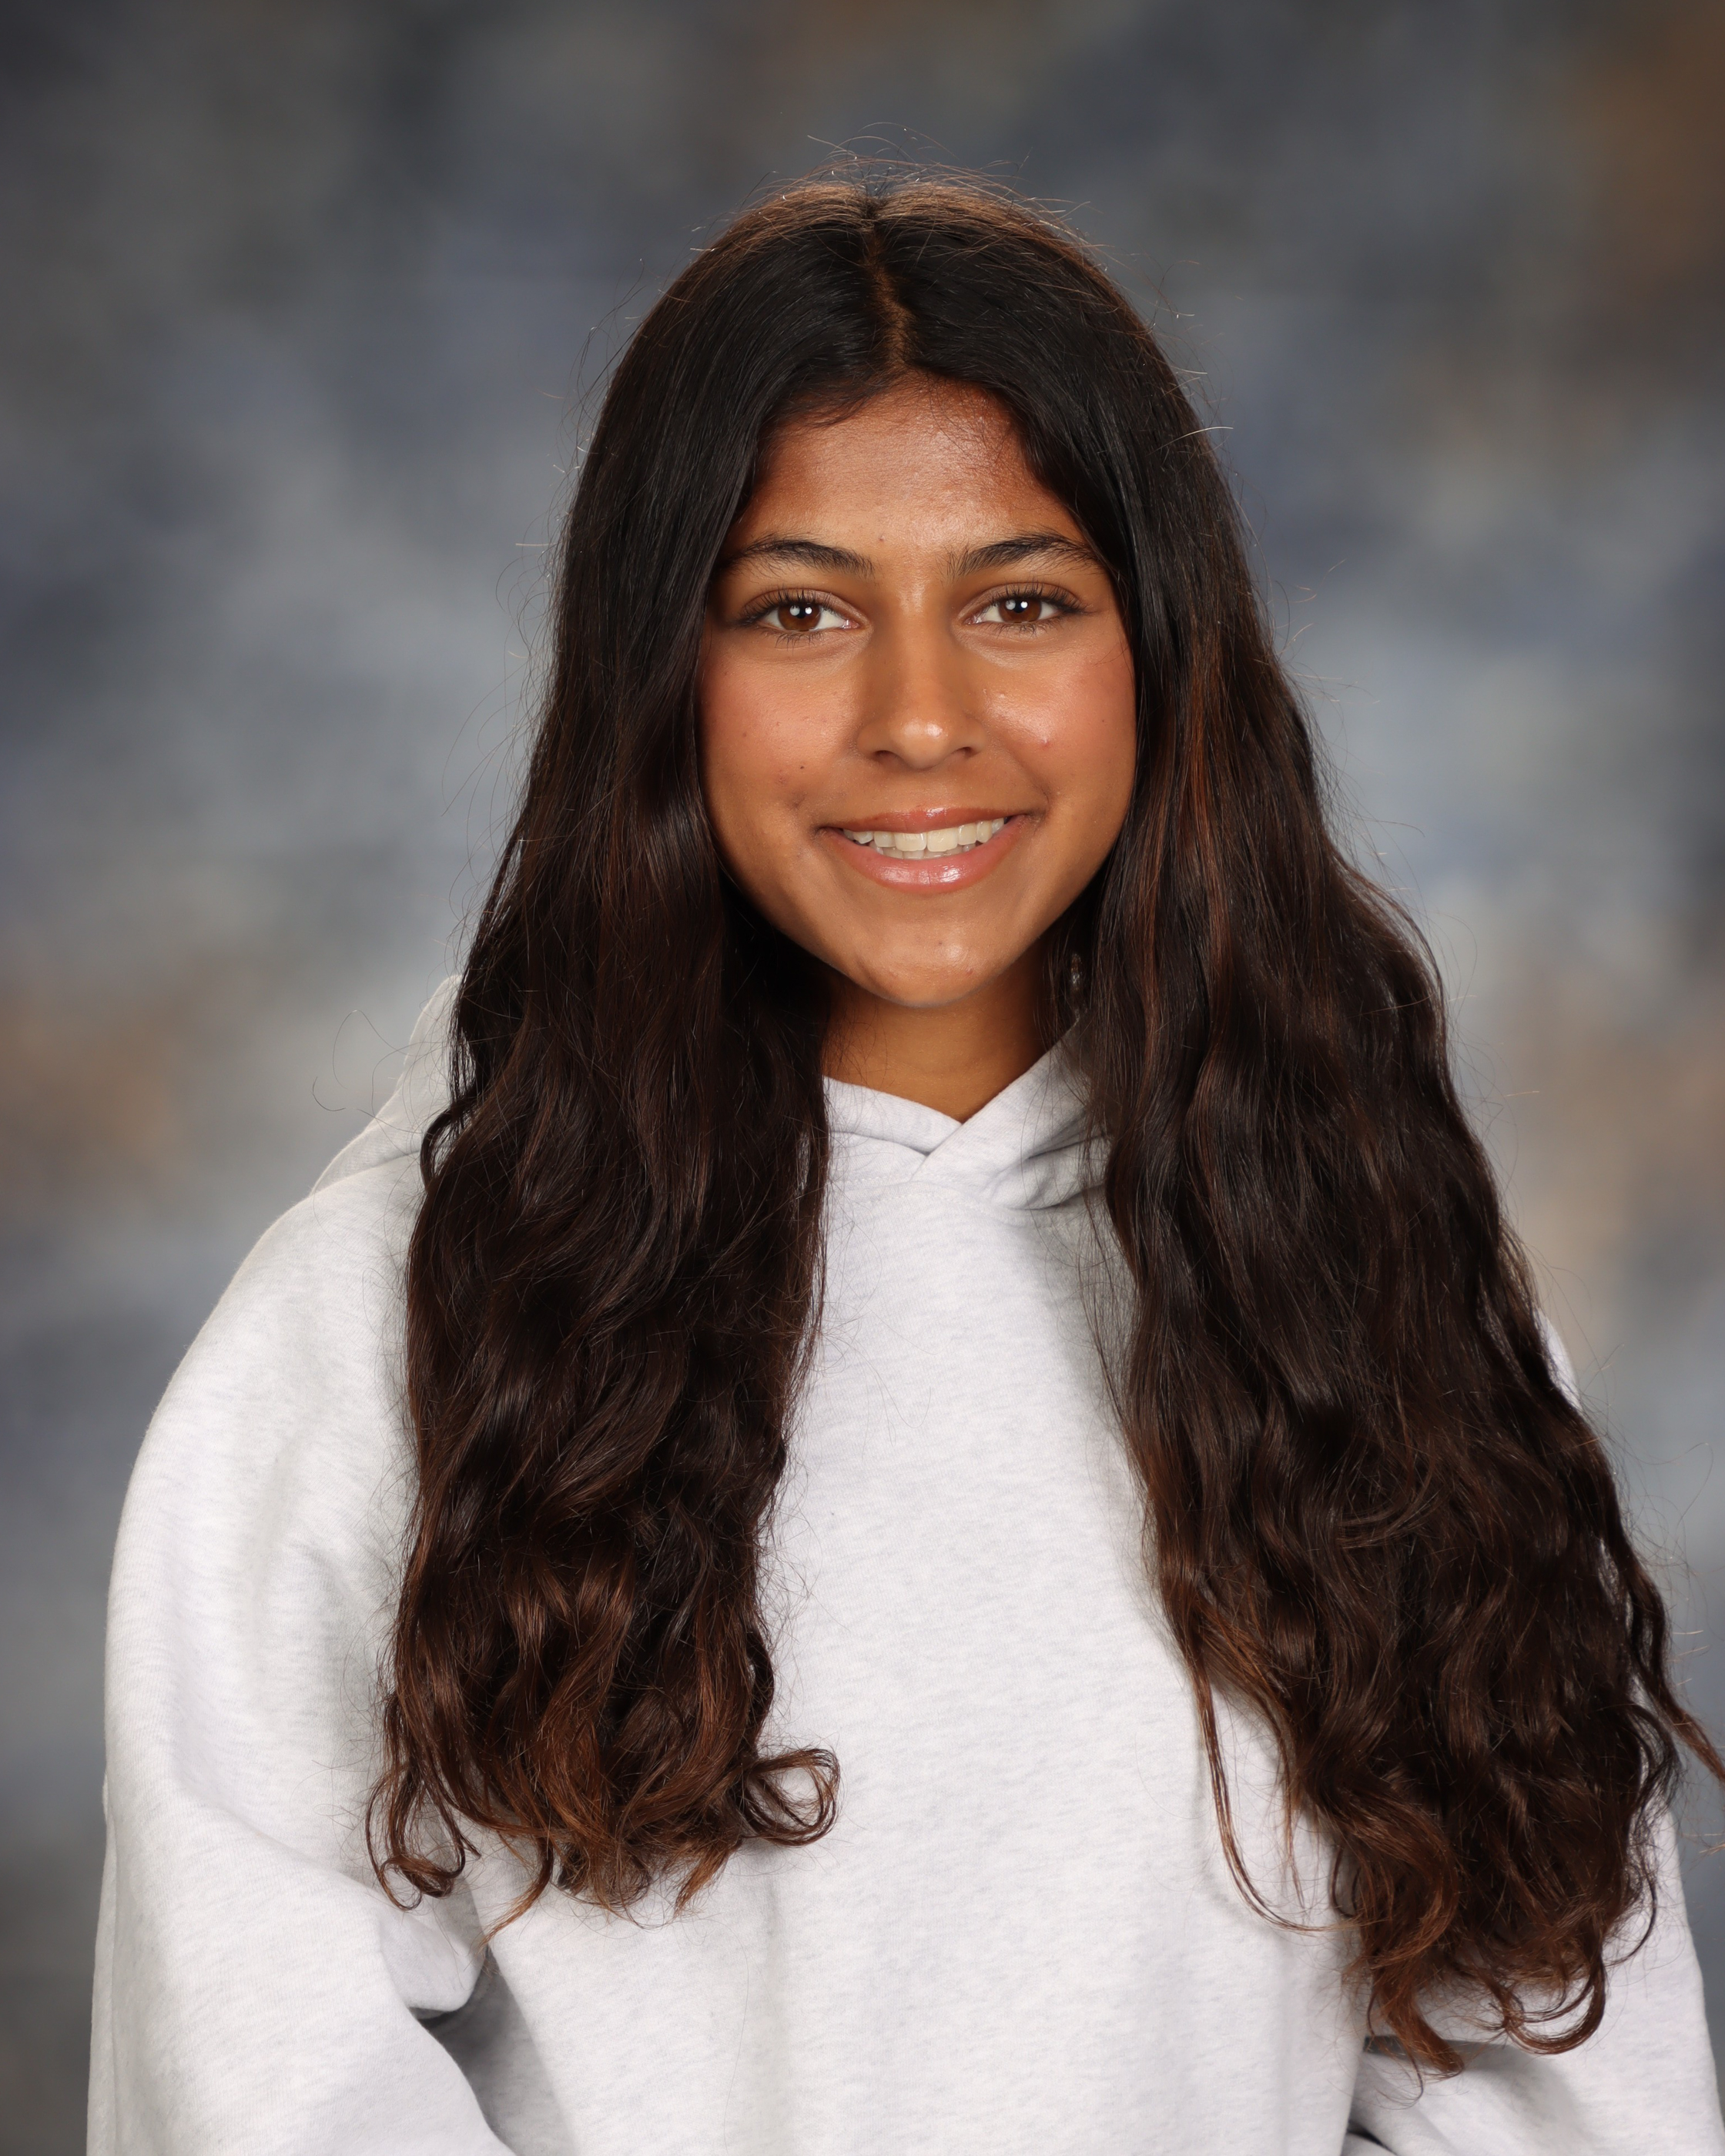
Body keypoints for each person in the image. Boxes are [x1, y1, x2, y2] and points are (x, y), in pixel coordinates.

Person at [91, 176, 1724, 2154]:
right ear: (661, 675)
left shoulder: (1363, 1291)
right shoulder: (390, 1327)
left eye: (1019, 601)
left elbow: (1548, 2079)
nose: (921, 719)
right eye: (800, 611)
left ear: (1161, 654)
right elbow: (260, 2074)